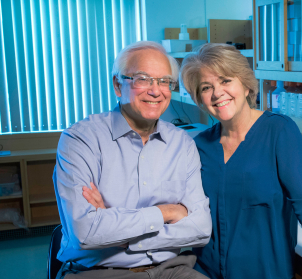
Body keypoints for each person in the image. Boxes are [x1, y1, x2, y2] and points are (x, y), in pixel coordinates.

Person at [179, 43, 302, 279]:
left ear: (244, 83)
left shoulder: (279, 131)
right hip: (206, 272)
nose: (217, 93)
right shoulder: (200, 145)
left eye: (225, 80)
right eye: (206, 87)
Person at [53, 41, 212, 279]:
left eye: (164, 81)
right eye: (143, 79)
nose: (156, 90)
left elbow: (201, 229)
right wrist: (167, 212)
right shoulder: (80, 139)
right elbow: (85, 232)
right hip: (100, 272)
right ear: (118, 85)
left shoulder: (183, 143)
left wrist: (117, 231)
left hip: (172, 270)